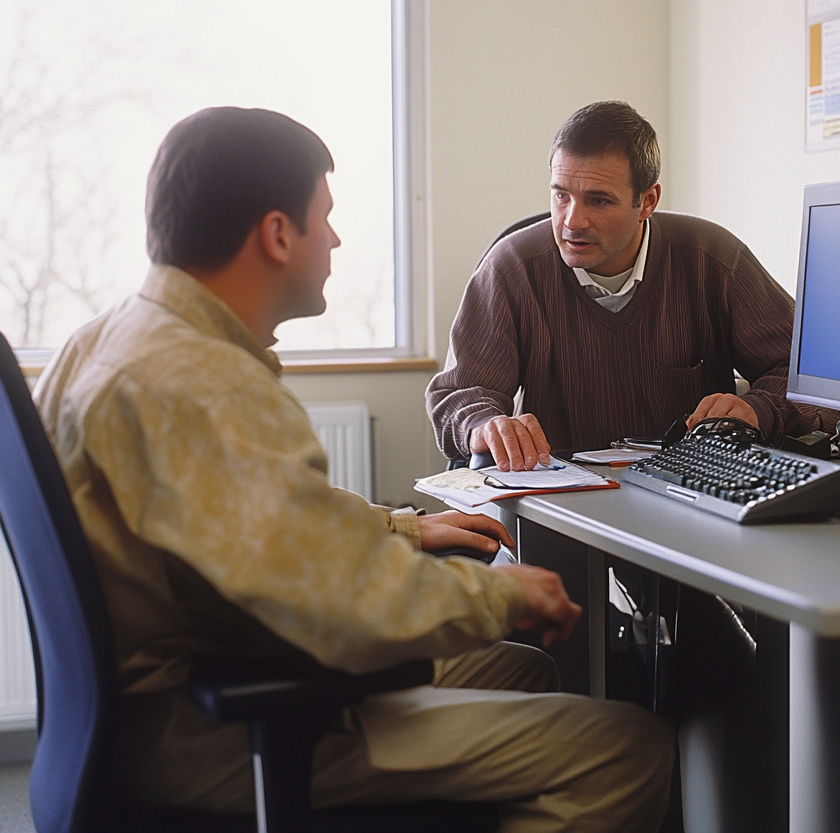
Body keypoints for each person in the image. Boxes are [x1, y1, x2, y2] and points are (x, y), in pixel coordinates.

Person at [33, 106, 675, 831]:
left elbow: (258, 519)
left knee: (523, 670)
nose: (335, 240)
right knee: (625, 747)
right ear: (278, 234)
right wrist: (500, 598)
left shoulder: (115, 338)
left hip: (152, 702)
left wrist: (402, 530)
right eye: (325, 218)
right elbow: (341, 607)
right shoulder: (203, 385)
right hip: (214, 729)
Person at [427, 100, 837, 471]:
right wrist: (485, 424)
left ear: (647, 201)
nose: (572, 221)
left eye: (598, 200)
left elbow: (811, 374)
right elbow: (461, 392)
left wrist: (757, 408)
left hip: (690, 498)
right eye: (561, 196)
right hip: (561, 506)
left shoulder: (712, 259)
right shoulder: (513, 267)